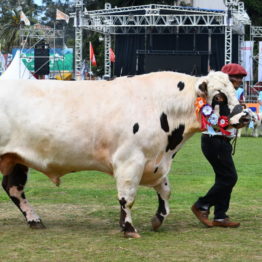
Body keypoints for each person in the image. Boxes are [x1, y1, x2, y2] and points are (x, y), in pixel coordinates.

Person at [191, 63, 248, 228]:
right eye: (235, 77)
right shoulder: (219, 95)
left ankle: (220, 215)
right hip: (214, 140)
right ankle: (201, 205)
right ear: (227, 79)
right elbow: (217, 120)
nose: (239, 80)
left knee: (224, 177)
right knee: (230, 177)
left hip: (220, 141)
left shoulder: (228, 95)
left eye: (241, 77)